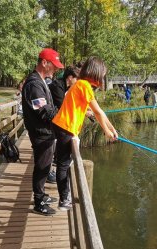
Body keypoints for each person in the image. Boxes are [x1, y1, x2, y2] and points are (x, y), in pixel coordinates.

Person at [51, 57, 118, 210]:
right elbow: (97, 112)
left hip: (62, 126)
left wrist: (112, 129)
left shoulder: (81, 84)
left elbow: (100, 112)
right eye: (102, 75)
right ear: (96, 73)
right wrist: (107, 132)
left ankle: (64, 197)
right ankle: (64, 200)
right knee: (63, 164)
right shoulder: (84, 85)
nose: (103, 78)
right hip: (65, 127)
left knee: (64, 163)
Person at [21, 48, 64, 216]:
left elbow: (49, 107)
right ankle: (39, 202)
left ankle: (42, 195)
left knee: (45, 167)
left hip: (46, 132)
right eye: (53, 65)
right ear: (44, 63)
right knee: (42, 167)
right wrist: (63, 118)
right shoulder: (34, 84)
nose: (56, 69)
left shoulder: (40, 81)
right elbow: (44, 111)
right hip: (41, 134)